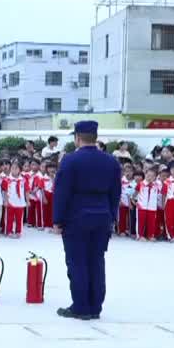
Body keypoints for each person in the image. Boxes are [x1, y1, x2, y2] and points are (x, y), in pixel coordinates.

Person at [52, 120, 119, 320]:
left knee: (77, 262)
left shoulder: (70, 160)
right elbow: (116, 192)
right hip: (102, 215)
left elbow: (62, 192)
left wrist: (58, 220)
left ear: (77, 138)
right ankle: (95, 306)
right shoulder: (111, 161)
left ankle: (81, 307)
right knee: (96, 261)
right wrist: (112, 216)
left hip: (77, 216)